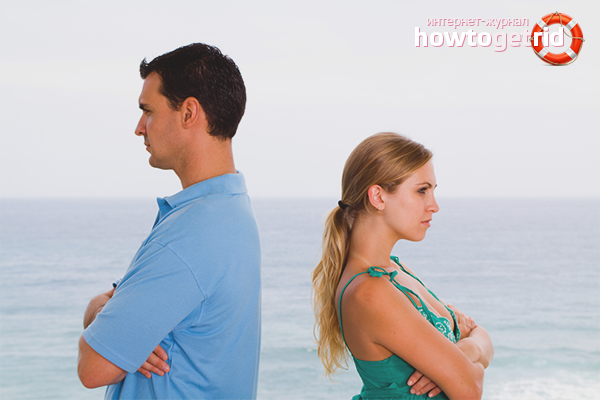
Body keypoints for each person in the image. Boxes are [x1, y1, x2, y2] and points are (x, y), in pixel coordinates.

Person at [77, 43, 261, 400]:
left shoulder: (191, 234)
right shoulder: (231, 208)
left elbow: (93, 366)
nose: (139, 128)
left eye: (148, 111)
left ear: (189, 112)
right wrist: (118, 327)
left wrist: (110, 322)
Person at [311, 132, 494, 399]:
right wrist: (467, 354)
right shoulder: (369, 292)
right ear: (378, 197)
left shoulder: (396, 271)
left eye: (433, 190)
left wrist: (468, 349)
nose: (434, 206)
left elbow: (480, 334)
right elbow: (470, 388)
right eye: (422, 190)